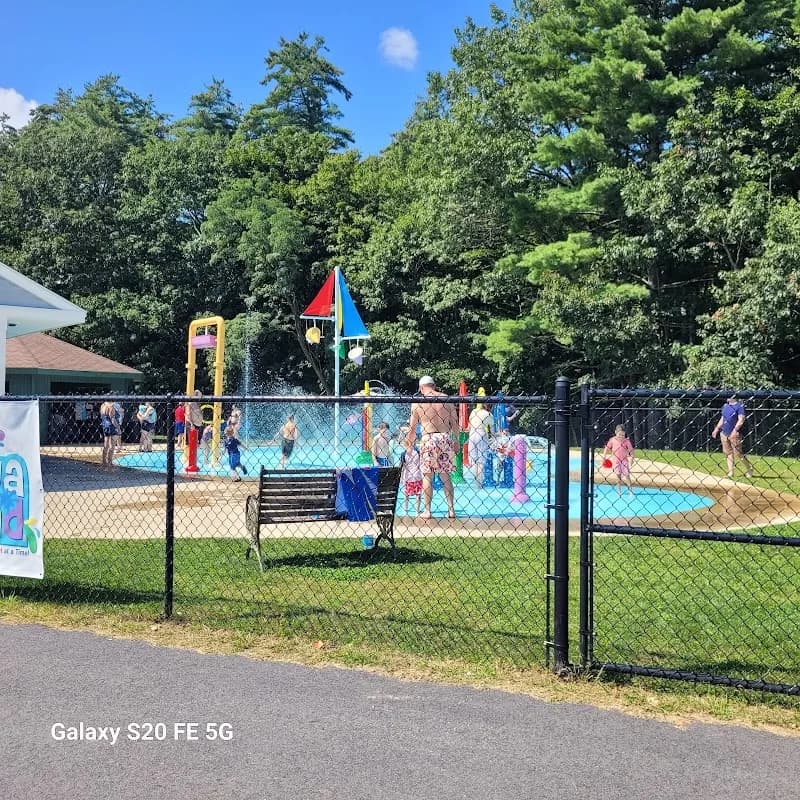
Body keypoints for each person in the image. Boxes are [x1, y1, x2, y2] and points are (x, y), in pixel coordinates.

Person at [406, 375, 459, 519]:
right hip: (444, 437)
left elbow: (412, 428)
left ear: (421, 387)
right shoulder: (446, 399)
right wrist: (457, 441)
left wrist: (409, 444)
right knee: (445, 475)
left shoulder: (418, 402)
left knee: (427, 476)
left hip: (428, 438)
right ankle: (451, 510)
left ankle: (427, 510)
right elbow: (455, 423)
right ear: (434, 385)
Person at [712, 395, 754, 479]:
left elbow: (741, 419)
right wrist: (716, 429)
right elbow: (722, 418)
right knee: (728, 453)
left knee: (738, 453)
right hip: (724, 432)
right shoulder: (725, 406)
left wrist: (735, 431)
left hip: (735, 433)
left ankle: (749, 468)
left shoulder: (739, 406)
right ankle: (730, 472)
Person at [600, 425, 635, 496]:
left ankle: (630, 490)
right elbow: (607, 448)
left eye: (623, 435)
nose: (621, 436)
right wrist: (604, 456)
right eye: (620, 434)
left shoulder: (626, 441)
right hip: (616, 461)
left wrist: (632, 458)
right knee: (618, 477)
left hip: (624, 461)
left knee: (627, 475)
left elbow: (631, 450)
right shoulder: (612, 440)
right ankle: (619, 491)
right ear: (616, 432)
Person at [467, 403, 494, 488]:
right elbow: (492, 432)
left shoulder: (474, 411)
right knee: (481, 461)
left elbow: (469, 427)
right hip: (481, 434)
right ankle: (480, 483)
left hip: (472, 435)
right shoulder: (489, 414)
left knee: (474, 461)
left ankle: (476, 482)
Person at [399, 441, 423, 516]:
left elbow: (401, 467)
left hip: (408, 477)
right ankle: (417, 511)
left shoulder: (403, 454)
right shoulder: (418, 452)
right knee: (418, 495)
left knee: (406, 495)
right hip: (417, 477)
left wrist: (401, 477)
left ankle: (405, 510)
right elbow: (421, 464)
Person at [99, 400, 116, 470]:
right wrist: (117, 427)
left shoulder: (102, 406)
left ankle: (104, 461)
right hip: (110, 426)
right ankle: (110, 461)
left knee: (106, 444)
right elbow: (112, 419)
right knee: (112, 445)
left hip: (104, 425)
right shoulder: (111, 407)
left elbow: (102, 416)